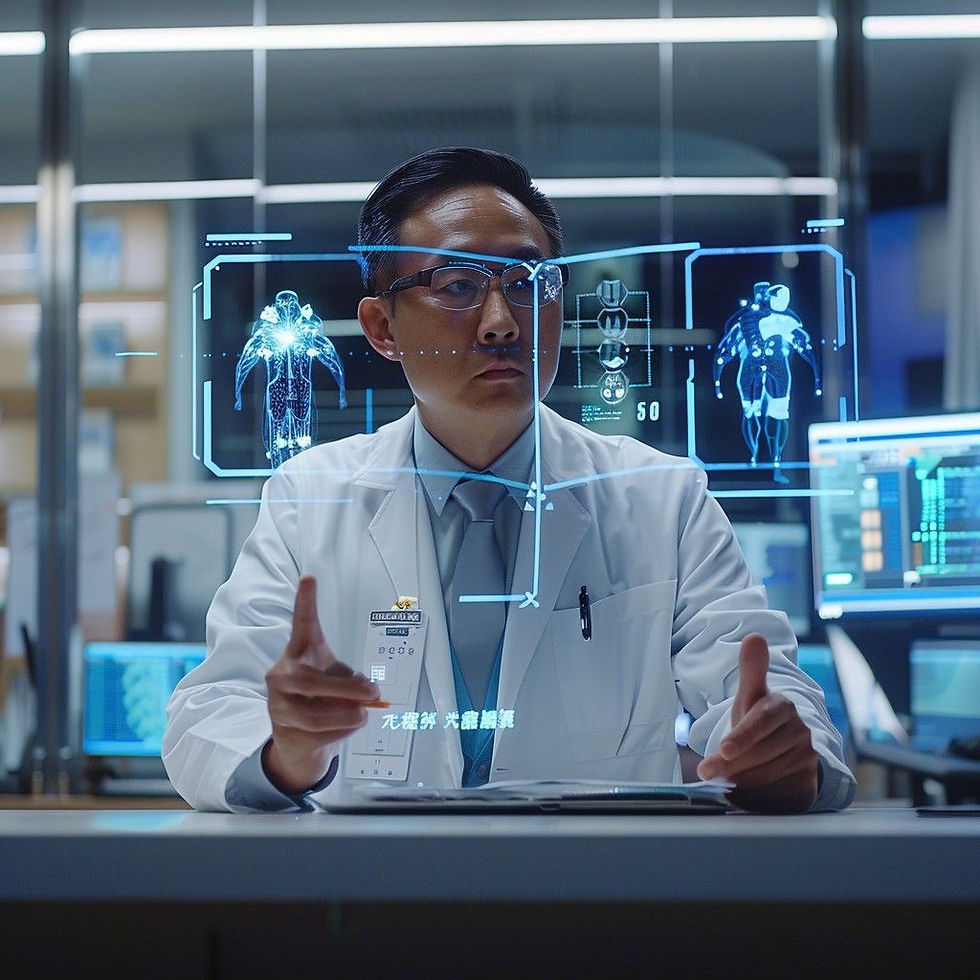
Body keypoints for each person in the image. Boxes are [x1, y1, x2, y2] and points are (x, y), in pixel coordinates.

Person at [163, 146, 856, 815]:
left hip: (596, 884)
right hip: (380, 885)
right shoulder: (308, 500)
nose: (501, 323)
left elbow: (771, 699)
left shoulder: (662, 497)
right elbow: (206, 716)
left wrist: (781, 755)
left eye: (527, 283)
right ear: (381, 328)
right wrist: (287, 753)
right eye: (457, 286)